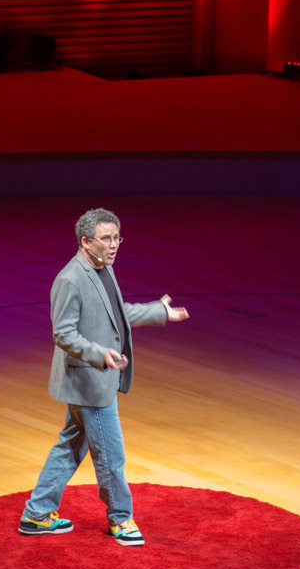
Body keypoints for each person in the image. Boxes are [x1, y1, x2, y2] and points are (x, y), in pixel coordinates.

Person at [19, 208, 189, 546]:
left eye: (117, 238)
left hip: (94, 380)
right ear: (86, 241)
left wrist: (160, 311)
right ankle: (121, 519)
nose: (114, 246)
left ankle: (37, 512)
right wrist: (101, 354)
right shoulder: (71, 279)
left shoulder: (103, 269)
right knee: (110, 453)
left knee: (71, 445)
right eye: (106, 239)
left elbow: (118, 313)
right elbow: (63, 334)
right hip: (89, 381)